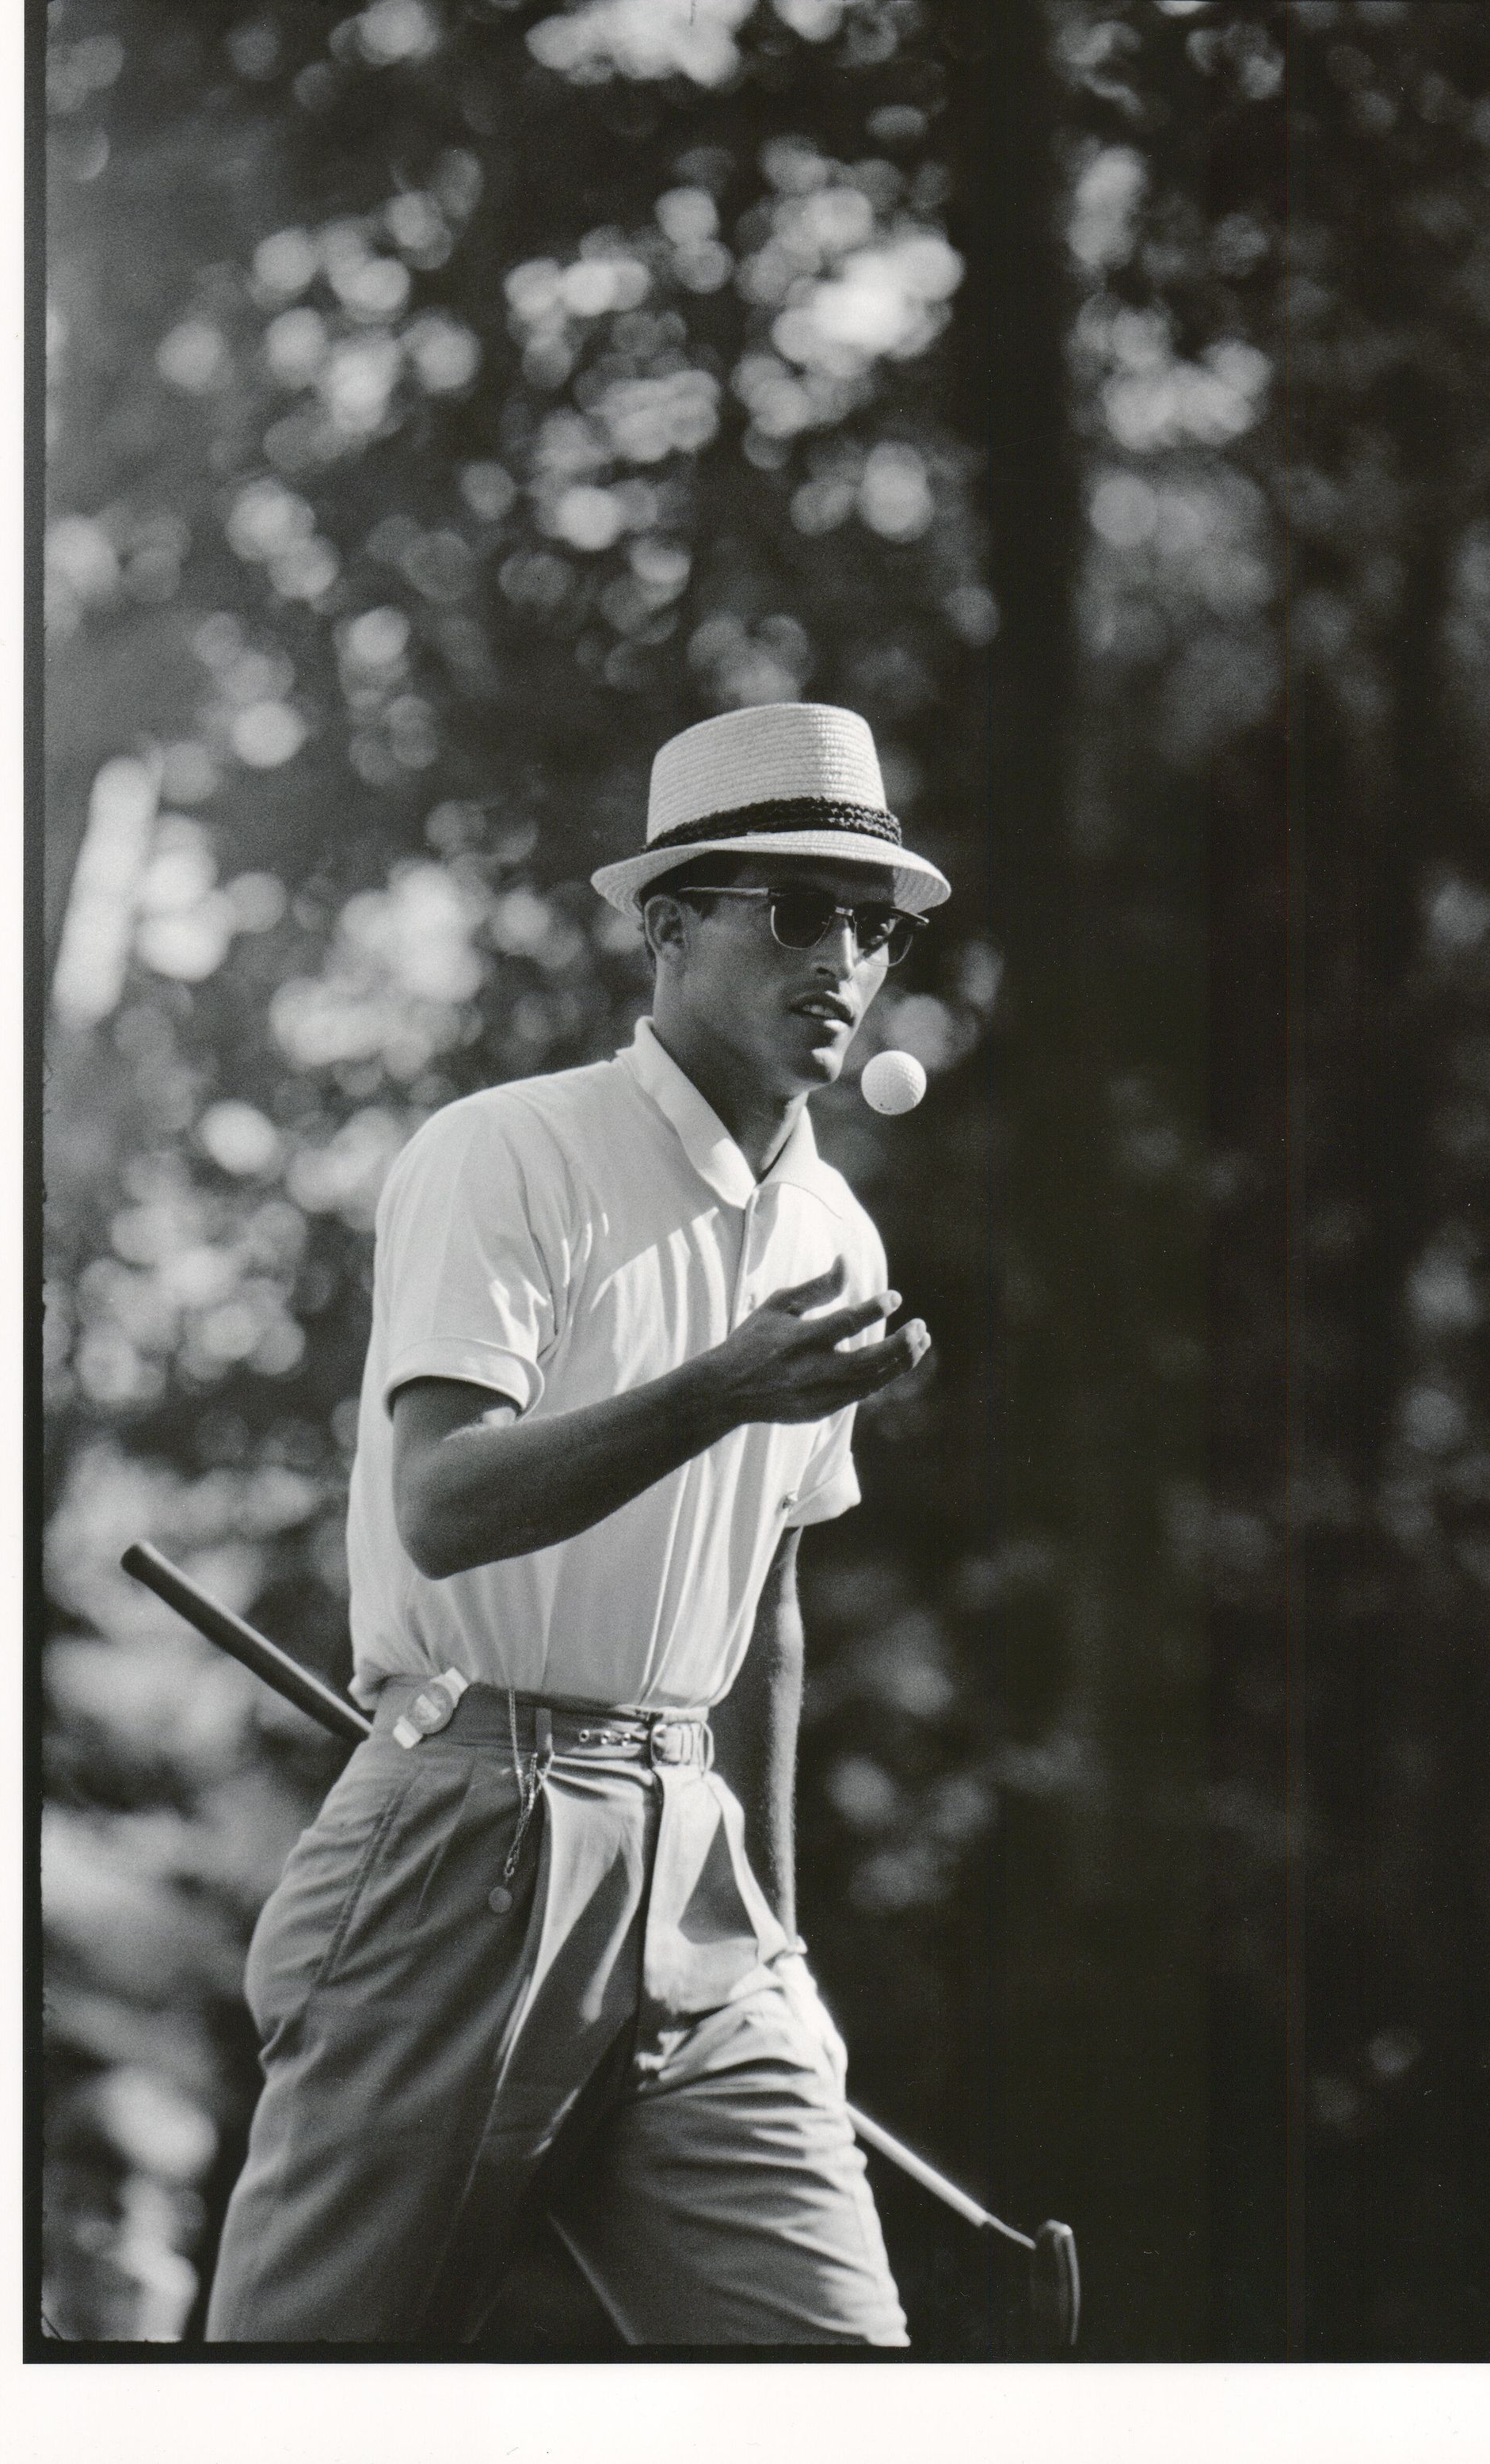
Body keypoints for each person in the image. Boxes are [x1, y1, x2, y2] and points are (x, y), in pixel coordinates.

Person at [205, 700, 948, 2344]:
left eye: (875, 925)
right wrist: (716, 1391)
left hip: (699, 1875)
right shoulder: (508, 1151)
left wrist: (780, 1943)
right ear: (669, 926)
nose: (845, 958)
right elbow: (444, 1501)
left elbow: (767, 1605)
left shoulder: (836, 1231)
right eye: (799, 910)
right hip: (462, 1836)